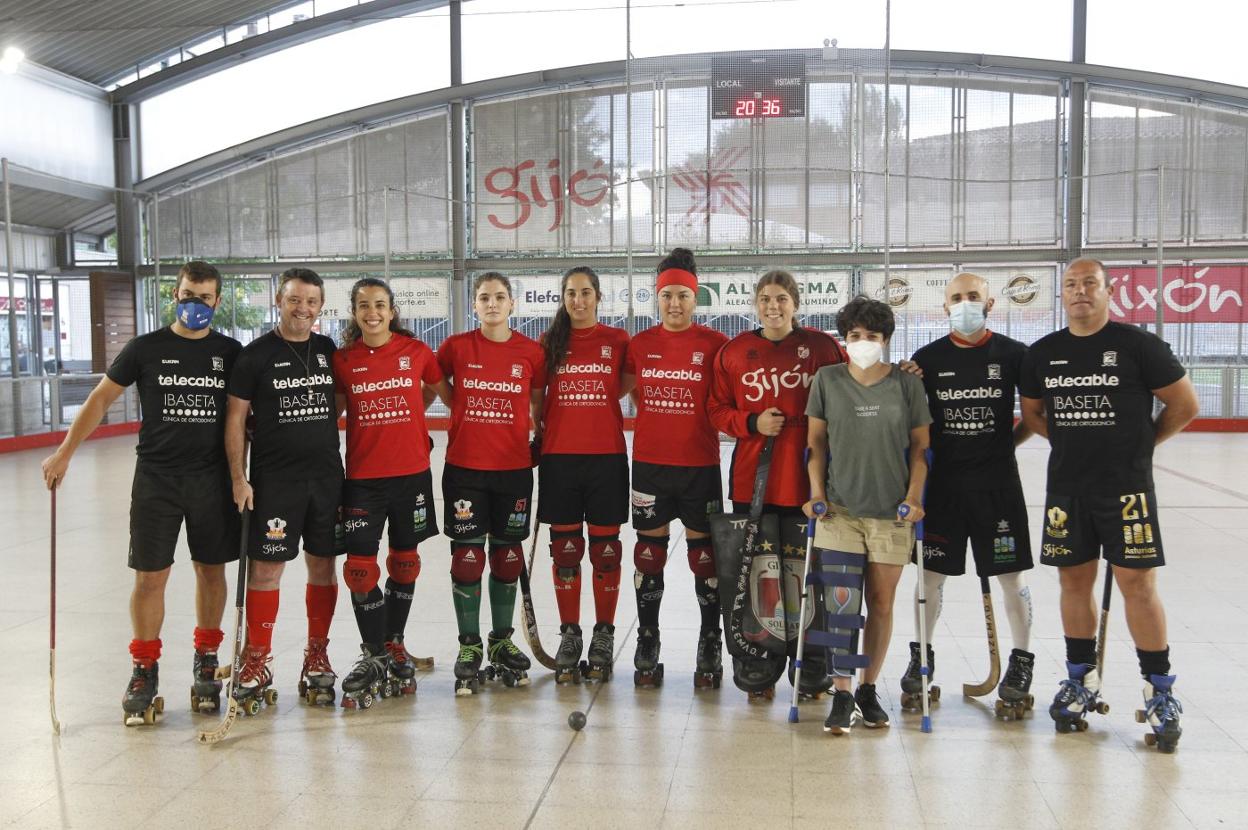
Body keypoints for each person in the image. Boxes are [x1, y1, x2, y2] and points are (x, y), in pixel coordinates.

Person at [41, 261, 242, 726]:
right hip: (156, 481)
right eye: (189, 294)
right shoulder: (146, 348)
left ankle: (206, 661)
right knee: (150, 578)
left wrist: (247, 474)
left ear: (217, 300)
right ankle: (144, 670)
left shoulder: (231, 353)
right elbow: (100, 399)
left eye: (206, 296)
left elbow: (245, 417)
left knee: (211, 572)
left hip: (210, 482)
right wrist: (65, 452)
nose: (197, 304)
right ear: (176, 294)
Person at [1020, 258, 1198, 751]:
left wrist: (1140, 447)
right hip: (1068, 489)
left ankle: (1160, 691)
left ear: (1108, 290)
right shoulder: (1043, 354)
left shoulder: (1139, 346)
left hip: (1127, 490)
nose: (1080, 292)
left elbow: (1184, 405)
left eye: (1090, 284)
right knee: (1073, 581)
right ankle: (1080, 680)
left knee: (1136, 585)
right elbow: (1033, 414)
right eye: (1072, 285)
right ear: (1063, 295)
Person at [708, 268, 847, 698]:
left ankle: (811, 658)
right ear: (756, 304)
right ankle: (760, 656)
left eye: (781, 299)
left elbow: (851, 394)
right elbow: (716, 410)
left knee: (807, 573)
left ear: (796, 304)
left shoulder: (823, 348)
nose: (773, 306)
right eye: (766, 299)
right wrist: (750, 422)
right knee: (759, 575)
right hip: (755, 482)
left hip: (809, 484)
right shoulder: (734, 351)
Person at [803, 294, 932, 735]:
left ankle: (867, 688)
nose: (862, 343)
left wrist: (914, 497)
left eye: (871, 336)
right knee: (842, 606)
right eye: (854, 336)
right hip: (839, 512)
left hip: (890, 514)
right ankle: (841, 692)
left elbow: (920, 449)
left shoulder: (907, 384)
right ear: (844, 340)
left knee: (880, 603)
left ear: (886, 340)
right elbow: (815, 445)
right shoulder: (827, 380)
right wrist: (817, 492)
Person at [909, 272, 1036, 717]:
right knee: (929, 577)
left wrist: (1007, 443)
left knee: (1011, 576)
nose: (965, 304)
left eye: (973, 297)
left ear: (990, 303)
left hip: (998, 487)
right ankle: (921, 657)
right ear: (944, 307)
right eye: (956, 298)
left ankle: (1021, 661)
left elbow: (1035, 415)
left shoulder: (1015, 355)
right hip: (944, 489)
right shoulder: (925, 359)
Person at [224, 268, 343, 710]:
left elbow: (343, 399)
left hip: (327, 480)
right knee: (266, 571)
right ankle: (256, 657)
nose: (303, 309)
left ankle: (317, 651)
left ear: (320, 307)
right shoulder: (255, 355)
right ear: (279, 300)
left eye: (311, 302)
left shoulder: (328, 350)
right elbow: (235, 419)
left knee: (323, 568)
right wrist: (240, 478)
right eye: (295, 299)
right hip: (275, 484)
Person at [332, 277, 450, 709]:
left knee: (404, 562)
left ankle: (395, 641)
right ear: (355, 311)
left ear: (392, 309)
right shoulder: (343, 360)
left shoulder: (416, 353)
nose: (373, 313)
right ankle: (375, 653)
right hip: (363, 478)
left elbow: (452, 397)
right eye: (364, 306)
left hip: (412, 476)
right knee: (360, 571)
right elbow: (331, 412)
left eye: (380, 305)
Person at [622, 248, 729, 688]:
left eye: (683, 295)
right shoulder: (640, 345)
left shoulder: (715, 345)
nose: (675, 304)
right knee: (650, 555)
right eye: (667, 296)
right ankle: (648, 638)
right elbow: (629, 396)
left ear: (696, 297)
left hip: (699, 466)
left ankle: (710, 639)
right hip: (650, 466)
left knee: (704, 557)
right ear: (657, 298)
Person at [437, 272, 546, 695]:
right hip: (464, 469)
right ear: (475, 305)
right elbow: (439, 385)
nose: (492, 303)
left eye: (500, 297)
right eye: (484, 297)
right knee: (466, 558)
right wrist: (459, 406)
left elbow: (537, 403)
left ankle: (501, 640)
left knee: (506, 559)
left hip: (513, 469)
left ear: (512, 304)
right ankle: (469, 645)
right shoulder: (458, 347)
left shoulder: (530, 352)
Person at [536, 266, 632, 683]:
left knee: (606, 550)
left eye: (586, 293)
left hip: (606, 457)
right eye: (571, 293)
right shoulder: (549, 343)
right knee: (567, 551)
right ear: (563, 297)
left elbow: (621, 385)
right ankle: (571, 633)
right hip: (560, 459)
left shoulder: (617, 341)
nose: (578, 300)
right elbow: (537, 399)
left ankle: (604, 634)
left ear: (598, 296)